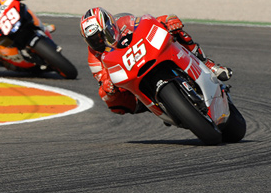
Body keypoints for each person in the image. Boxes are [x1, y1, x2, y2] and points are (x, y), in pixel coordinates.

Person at [80, 7, 232, 115]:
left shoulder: (124, 21)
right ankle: (149, 102)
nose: (99, 42)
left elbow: (147, 22)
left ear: (110, 25)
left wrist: (166, 20)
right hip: (130, 76)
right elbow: (102, 78)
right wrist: (107, 86)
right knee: (110, 100)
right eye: (93, 41)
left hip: (148, 54)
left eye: (101, 36)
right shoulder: (94, 56)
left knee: (174, 30)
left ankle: (207, 63)